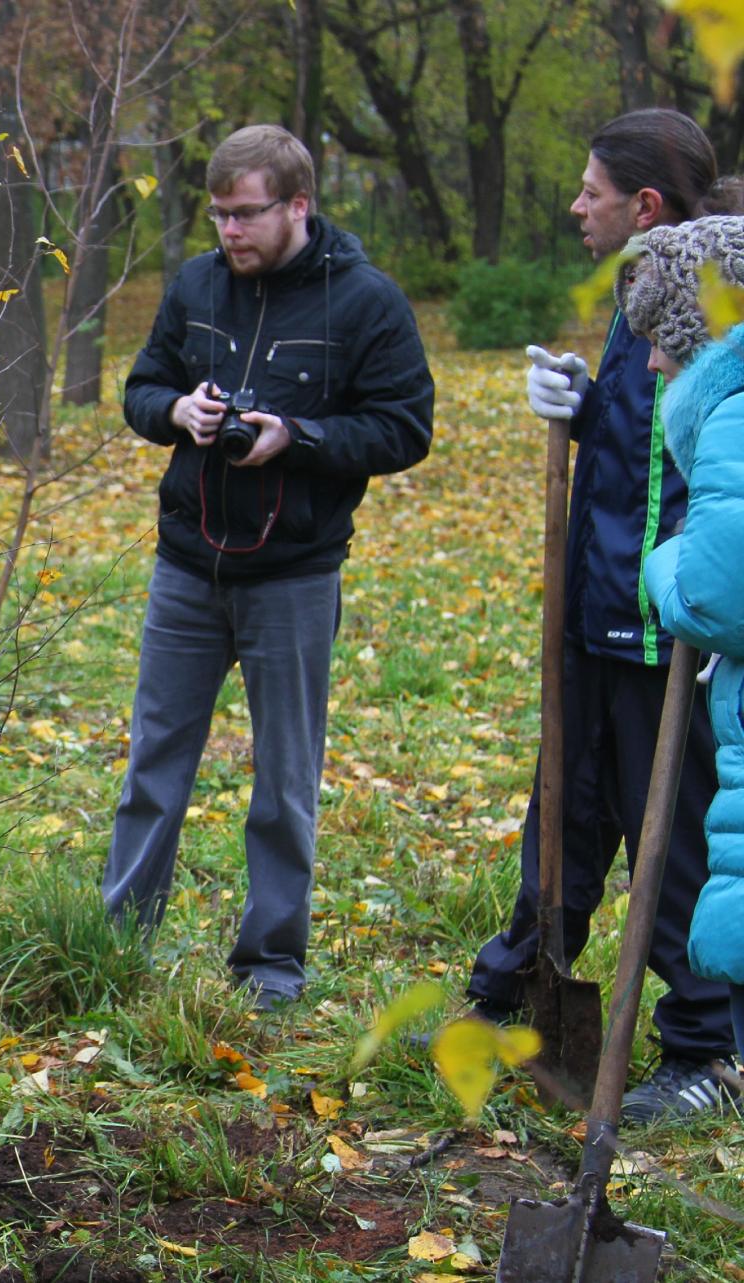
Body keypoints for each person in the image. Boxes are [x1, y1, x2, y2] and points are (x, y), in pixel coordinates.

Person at [101, 124, 435, 1011]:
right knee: (154, 763)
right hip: (187, 565)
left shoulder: (365, 303)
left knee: (285, 778)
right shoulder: (198, 284)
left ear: (298, 205)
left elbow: (406, 428)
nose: (230, 233)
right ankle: (119, 941)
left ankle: (271, 965)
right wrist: (177, 409)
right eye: (217, 215)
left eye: (246, 215)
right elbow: (140, 386)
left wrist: (301, 437)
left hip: (294, 574)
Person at [461, 109, 738, 1122]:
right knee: (562, 818)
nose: (575, 204)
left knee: (670, 847)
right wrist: (580, 405)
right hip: (599, 613)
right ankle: (510, 992)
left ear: (644, 205)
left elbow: (695, 462)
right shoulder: (642, 290)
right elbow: (636, 437)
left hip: (666, 634)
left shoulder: (707, 300)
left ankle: (702, 1050)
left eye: (589, 190)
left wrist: (672, 604)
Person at [623, 215, 744, 1100]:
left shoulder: (735, 413)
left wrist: (661, 564)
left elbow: (710, 595)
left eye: (665, 343)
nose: (655, 365)